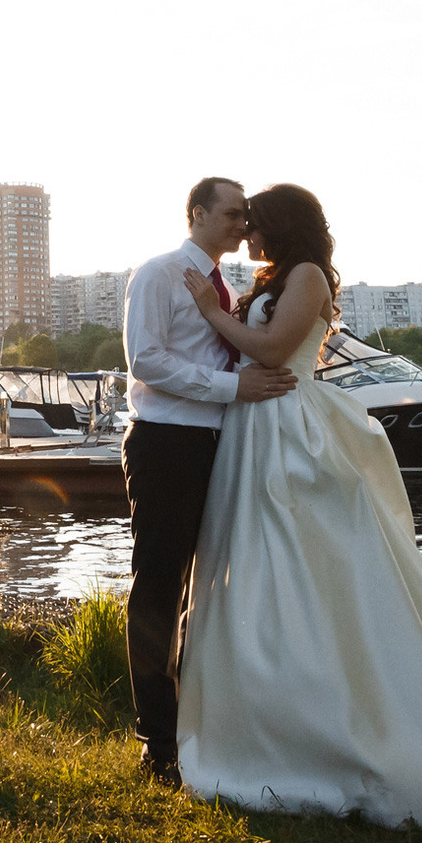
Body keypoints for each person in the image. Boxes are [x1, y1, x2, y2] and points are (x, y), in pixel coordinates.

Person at [175, 183, 422, 824]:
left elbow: (270, 349)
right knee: (257, 568)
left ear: (282, 226)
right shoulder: (274, 277)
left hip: (289, 430)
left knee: (315, 568)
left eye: (255, 224)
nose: (247, 235)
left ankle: (379, 741)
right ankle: (268, 717)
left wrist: (212, 312)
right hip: (254, 430)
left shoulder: (308, 277)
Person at [121, 177, 300, 783]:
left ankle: (210, 717)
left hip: (221, 445)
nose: (242, 223)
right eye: (231, 212)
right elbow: (144, 359)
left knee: (216, 581)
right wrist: (232, 388)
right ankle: (158, 738)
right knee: (160, 582)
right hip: (168, 443)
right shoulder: (159, 274)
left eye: (246, 215)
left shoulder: (228, 286)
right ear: (196, 213)